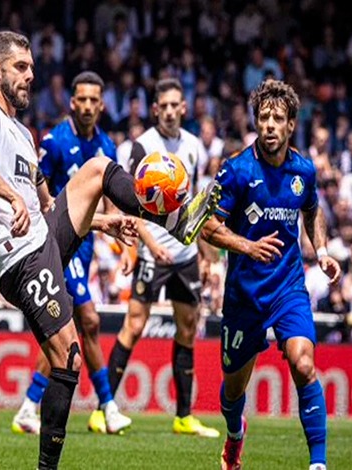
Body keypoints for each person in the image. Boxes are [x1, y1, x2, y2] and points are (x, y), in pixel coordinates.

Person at [0, 31, 220, 469]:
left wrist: (105, 221)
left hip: (41, 240)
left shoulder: (24, 133)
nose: (31, 75)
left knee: (98, 169)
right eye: (21, 68)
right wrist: (11, 199)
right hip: (18, 255)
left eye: (31, 67)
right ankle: (56, 451)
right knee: (70, 350)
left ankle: (177, 222)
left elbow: (46, 204)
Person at [201, 79, 341, 470]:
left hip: (288, 288)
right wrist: (248, 247)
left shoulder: (304, 171)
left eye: (278, 118)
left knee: (303, 363)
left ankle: (318, 463)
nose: (270, 125)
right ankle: (234, 434)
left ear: (291, 124)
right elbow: (208, 226)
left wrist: (323, 251)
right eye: (263, 117)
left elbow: (312, 210)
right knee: (233, 391)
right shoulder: (236, 171)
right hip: (245, 295)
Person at [12, 71, 132, 436]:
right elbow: (38, 190)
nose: (88, 106)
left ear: (102, 104)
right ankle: (108, 406)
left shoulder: (107, 146)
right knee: (89, 321)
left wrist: (125, 244)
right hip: (58, 242)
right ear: (72, 102)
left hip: (87, 246)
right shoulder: (55, 141)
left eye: (95, 100)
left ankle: (31, 405)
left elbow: (112, 199)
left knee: (64, 329)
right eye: (82, 99)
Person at [105, 78, 220, 438]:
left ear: (184, 108)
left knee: (187, 328)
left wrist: (205, 252)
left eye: (176, 105)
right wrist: (139, 245)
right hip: (154, 250)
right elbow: (126, 199)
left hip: (185, 254)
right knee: (134, 325)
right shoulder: (141, 147)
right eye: (164, 106)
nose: (170, 111)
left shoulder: (193, 147)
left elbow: (193, 204)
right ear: (155, 109)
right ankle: (103, 408)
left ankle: (184, 416)